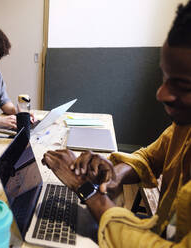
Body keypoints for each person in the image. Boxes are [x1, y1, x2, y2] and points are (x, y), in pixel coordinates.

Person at [42, 2, 191, 247]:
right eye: (164, 77)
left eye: (182, 86)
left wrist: (87, 192)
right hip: (162, 227)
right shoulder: (183, 127)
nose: (161, 93)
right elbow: (148, 158)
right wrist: (112, 174)